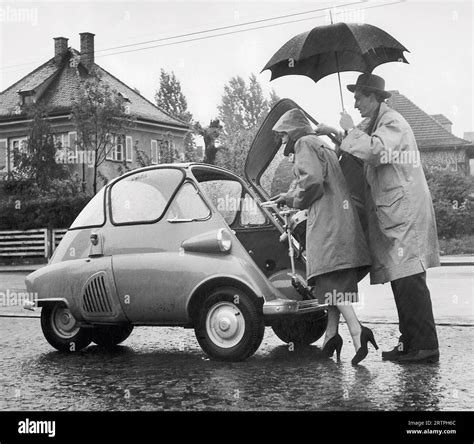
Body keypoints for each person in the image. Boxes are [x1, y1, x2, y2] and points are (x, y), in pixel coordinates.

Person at [324, 73, 440, 363]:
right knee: (401, 279)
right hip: (397, 212)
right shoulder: (378, 124)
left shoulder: (392, 123)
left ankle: (424, 346)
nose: (355, 102)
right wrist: (338, 134)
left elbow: (375, 151)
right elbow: (363, 148)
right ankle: (410, 342)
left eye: (359, 97)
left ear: (374, 97)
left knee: (409, 278)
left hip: (405, 213)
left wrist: (349, 130)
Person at [270, 108, 377, 365]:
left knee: (329, 279)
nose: (282, 141)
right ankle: (331, 336)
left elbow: (313, 182)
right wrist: (288, 195)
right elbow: (318, 178)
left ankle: (357, 331)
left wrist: (293, 200)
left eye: (284, 135)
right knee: (334, 279)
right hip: (341, 218)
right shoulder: (322, 144)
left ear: (293, 130)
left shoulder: (305, 143)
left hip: (327, 220)